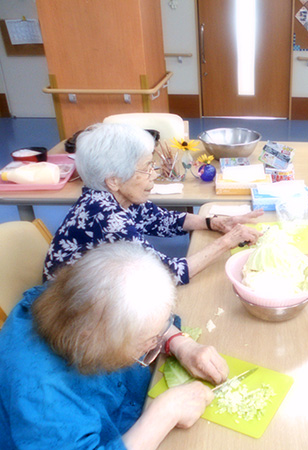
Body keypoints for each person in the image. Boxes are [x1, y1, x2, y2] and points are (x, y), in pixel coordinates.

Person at [0, 241, 229, 450]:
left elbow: (143, 318)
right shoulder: (43, 398)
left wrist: (178, 342)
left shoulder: (83, 296)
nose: (153, 344)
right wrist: (164, 415)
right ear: (92, 339)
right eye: (147, 342)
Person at [43, 122, 261, 285]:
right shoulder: (107, 219)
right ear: (113, 180)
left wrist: (213, 222)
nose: (154, 175)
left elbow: (162, 220)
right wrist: (228, 242)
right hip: (73, 310)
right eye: (146, 168)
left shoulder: (117, 195)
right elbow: (169, 274)